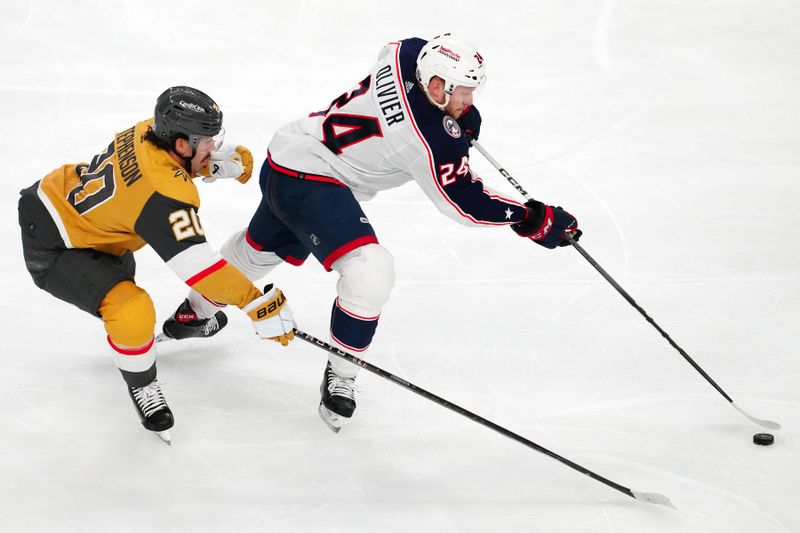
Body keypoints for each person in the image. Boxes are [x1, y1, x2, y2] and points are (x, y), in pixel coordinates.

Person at [172, 34, 582, 433]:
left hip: (286, 154)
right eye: (462, 92)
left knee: (258, 251)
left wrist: (455, 121)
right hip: (313, 180)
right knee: (371, 270)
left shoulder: (405, 52)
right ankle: (342, 371)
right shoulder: (431, 139)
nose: (470, 102)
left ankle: (194, 312)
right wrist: (532, 218)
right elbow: (462, 203)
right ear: (435, 85)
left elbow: (416, 58)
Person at [17, 86, 296, 444]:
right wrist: (254, 302)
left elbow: (157, 169)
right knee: (133, 312)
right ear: (181, 144)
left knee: (130, 307)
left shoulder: (149, 128)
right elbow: (198, 266)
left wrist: (208, 163)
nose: (214, 146)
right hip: (57, 246)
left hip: (83, 219)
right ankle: (143, 386)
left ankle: (184, 323)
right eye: (207, 141)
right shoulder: (164, 195)